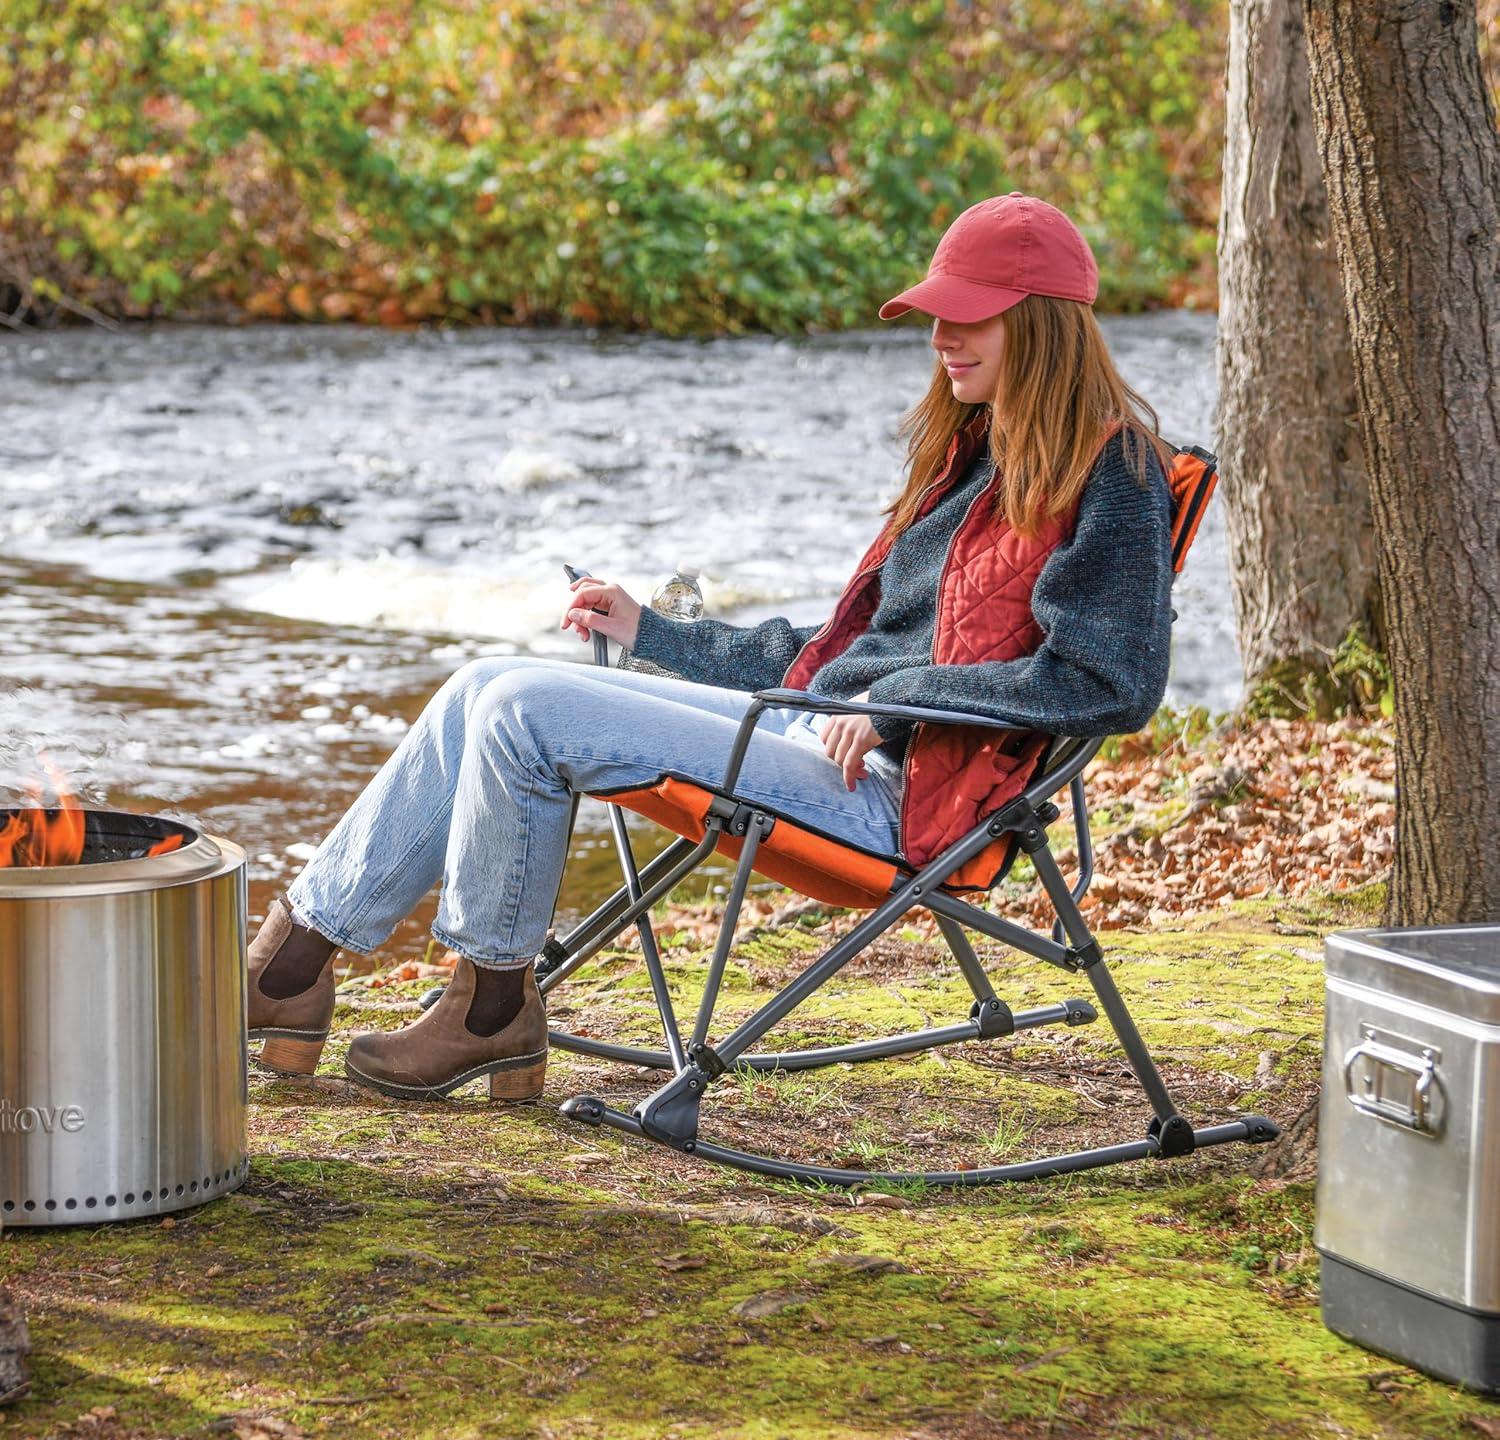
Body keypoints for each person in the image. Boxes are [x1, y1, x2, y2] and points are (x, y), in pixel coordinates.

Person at [246, 192, 1176, 1101]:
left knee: (524, 715)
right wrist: (655, 633)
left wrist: (894, 704)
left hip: (904, 799)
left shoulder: (1116, 470)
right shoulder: (972, 455)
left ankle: (489, 1013)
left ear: (1043, 324)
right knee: (483, 681)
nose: (940, 338)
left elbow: (1108, 680)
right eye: (934, 316)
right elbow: (832, 657)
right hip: (821, 735)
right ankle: (290, 968)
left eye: (968, 318)